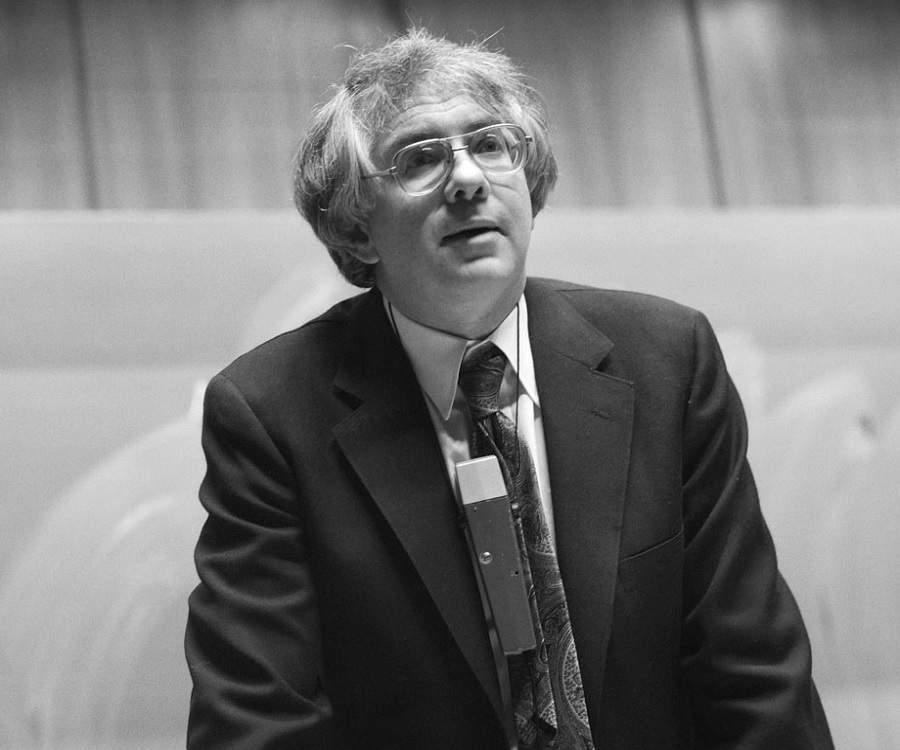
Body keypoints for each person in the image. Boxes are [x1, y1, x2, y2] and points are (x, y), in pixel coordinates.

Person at [185, 28, 833, 750]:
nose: (467, 178)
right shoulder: (271, 413)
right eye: (420, 158)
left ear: (531, 182)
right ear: (357, 228)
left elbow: (754, 676)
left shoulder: (666, 359)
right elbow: (257, 718)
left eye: (490, 145)